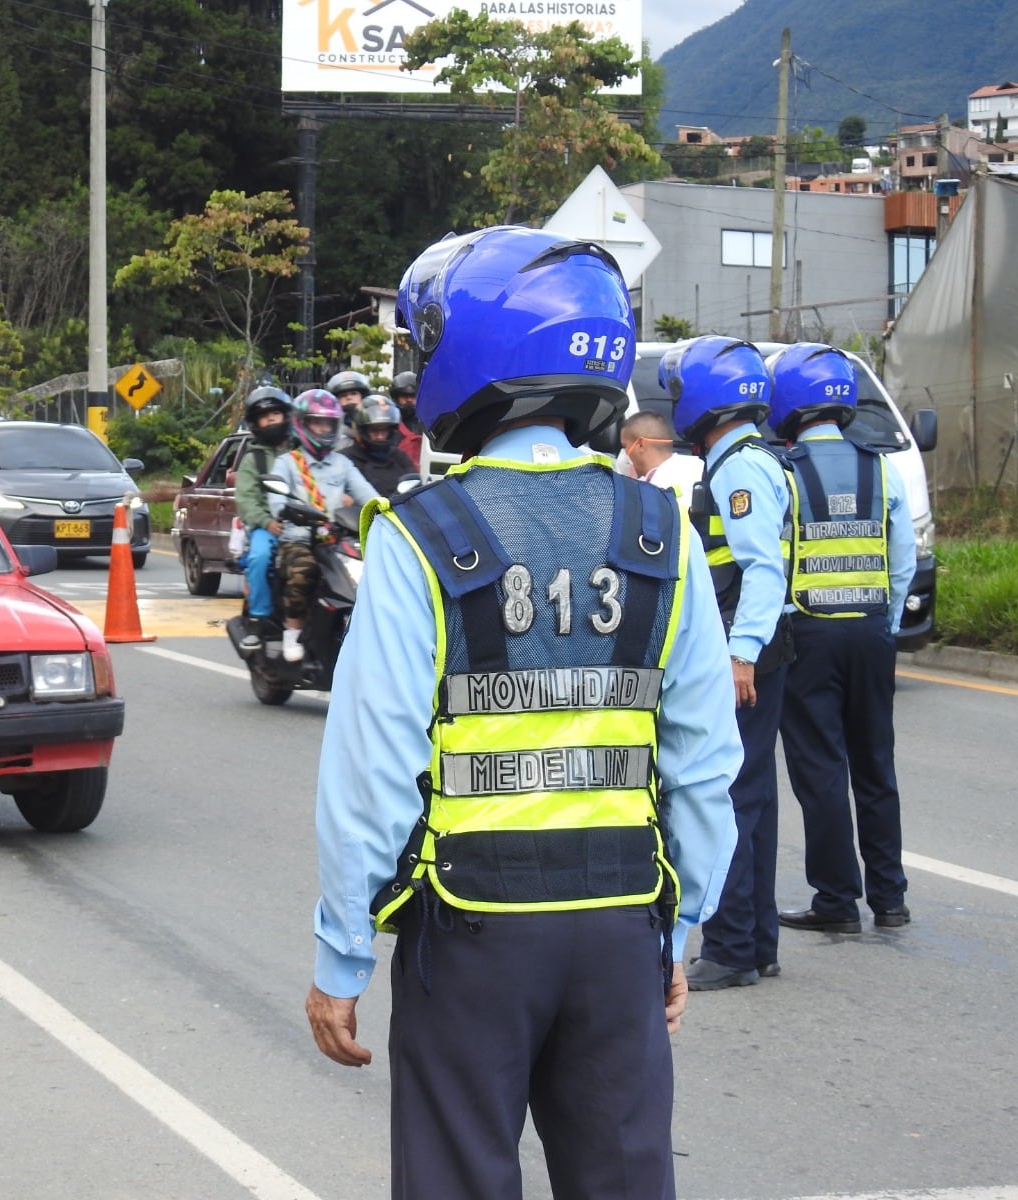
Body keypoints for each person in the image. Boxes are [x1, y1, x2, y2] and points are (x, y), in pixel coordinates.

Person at [305, 226, 741, 1200]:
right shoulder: (658, 530)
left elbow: (369, 777)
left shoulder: (423, 536)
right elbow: (706, 764)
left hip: (471, 933)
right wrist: (681, 934)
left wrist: (341, 954)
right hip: (622, 924)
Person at [663, 337, 796, 991]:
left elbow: (762, 571)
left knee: (730, 796)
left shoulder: (739, 467)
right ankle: (756, 942)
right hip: (756, 648)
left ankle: (733, 947)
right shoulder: (742, 459)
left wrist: (741, 655)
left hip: (745, 651)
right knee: (755, 799)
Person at [770, 343, 916, 935]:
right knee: (875, 765)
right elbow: (901, 560)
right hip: (872, 632)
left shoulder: (783, 472)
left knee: (822, 769)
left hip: (810, 635)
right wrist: (888, 622)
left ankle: (836, 901)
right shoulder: (883, 468)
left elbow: (773, 562)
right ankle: (891, 898)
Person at [267, 388, 378, 663]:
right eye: (317, 422)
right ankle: (292, 632)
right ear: (302, 424)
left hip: (336, 540)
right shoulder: (289, 463)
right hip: (299, 540)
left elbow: (369, 496)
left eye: (328, 423)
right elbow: (276, 500)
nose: (323, 428)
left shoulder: (342, 463)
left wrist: (390, 509)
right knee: (303, 572)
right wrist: (288, 509)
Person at [234, 386, 297, 652]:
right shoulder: (253, 458)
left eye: (275, 414)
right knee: (259, 558)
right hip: (267, 527)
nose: (271, 419)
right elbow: (246, 499)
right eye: (264, 416)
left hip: (307, 524)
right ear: (255, 423)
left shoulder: (302, 450)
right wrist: (266, 522)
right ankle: (258, 620)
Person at [341, 394, 418, 498]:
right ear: (362, 430)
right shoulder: (345, 460)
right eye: (374, 430)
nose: (380, 436)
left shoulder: (399, 456)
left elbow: (415, 486)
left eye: (384, 430)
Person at [619, 410, 703, 497]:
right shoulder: (698, 466)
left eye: (625, 446)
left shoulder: (658, 488)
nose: (624, 453)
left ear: (640, 445)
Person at [325, 370, 371, 449]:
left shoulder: (371, 417)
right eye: (343, 395)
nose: (349, 398)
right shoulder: (332, 425)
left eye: (354, 393)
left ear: (362, 396)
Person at [390, 370, 424, 467]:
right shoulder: (389, 424)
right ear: (396, 397)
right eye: (404, 396)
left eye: (413, 396)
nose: (409, 400)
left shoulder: (428, 423)